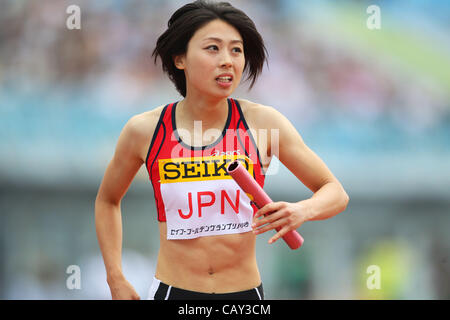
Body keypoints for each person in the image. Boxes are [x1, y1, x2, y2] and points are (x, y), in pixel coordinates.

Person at [95, 0, 349, 300]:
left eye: (236, 50)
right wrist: (115, 277)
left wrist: (301, 210)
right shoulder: (145, 130)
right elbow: (108, 201)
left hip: (243, 297)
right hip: (173, 293)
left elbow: (335, 192)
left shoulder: (263, 123)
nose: (227, 60)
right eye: (213, 48)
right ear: (180, 59)